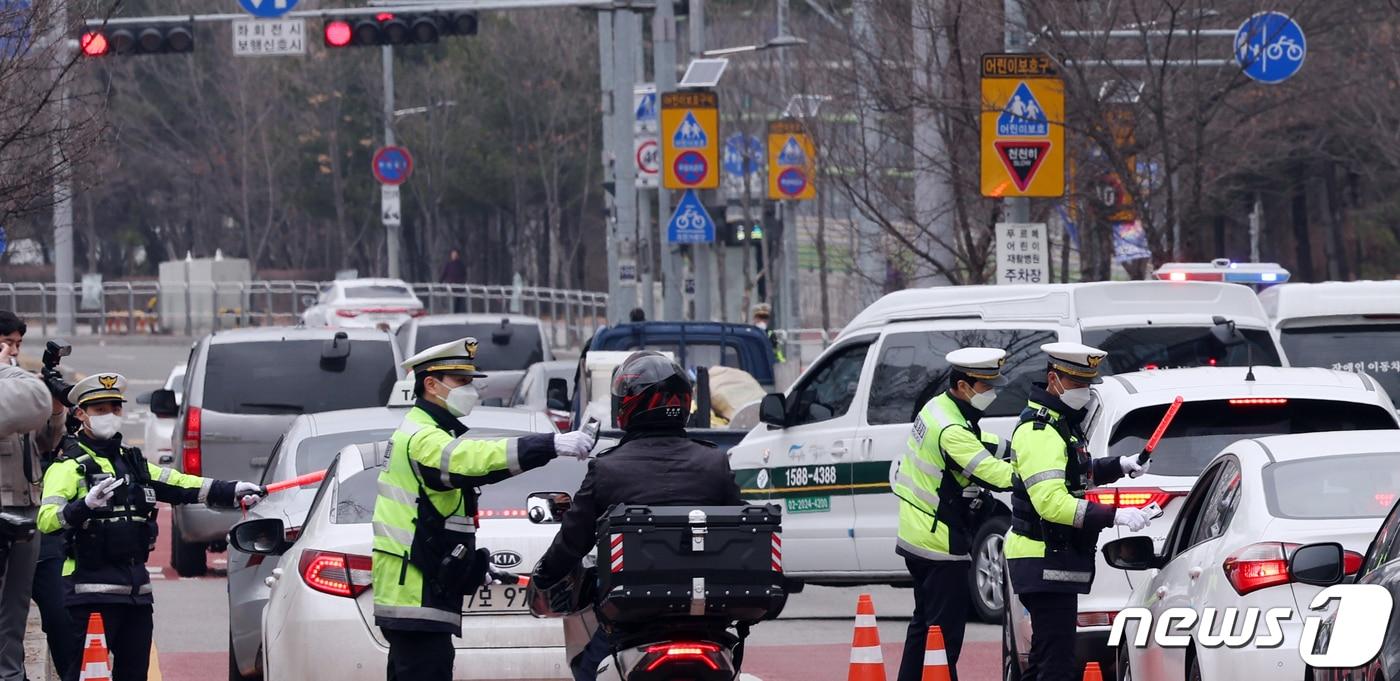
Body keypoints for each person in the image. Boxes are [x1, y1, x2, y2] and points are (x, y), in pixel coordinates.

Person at [372, 337, 596, 681]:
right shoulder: (424, 437)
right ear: (430, 384)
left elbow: (433, 516)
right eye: (461, 382)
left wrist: (467, 565)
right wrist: (550, 443)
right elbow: (473, 459)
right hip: (415, 592)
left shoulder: (424, 431)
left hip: (417, 588)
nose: (470, 390)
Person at [532, 351, 744, 681]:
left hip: (632, 622)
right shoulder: (714, 462)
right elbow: (742, 529)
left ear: (627, 405)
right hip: (707, 618)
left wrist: (543, 576)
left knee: (589, 667)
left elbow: (573, 541)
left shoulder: (607, 468)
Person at [37, 373, 263, 681]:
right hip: (89, 596)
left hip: (136, 595)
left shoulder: (133, 464)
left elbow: (181, 484)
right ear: (80, 414)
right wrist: (83, 506)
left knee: (134, 675)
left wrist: (231, 489)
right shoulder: (68, 467)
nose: (110, 416)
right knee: (85, 675)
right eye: (100, 409)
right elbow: (47, 519)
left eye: (115, 409)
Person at [1004, 343, 1152, 681]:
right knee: (1056, 665)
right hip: (1041, 557)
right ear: (1053, 380)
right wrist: (1114, 515)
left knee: (1044, 659)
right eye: (1076, 384)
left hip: (1050, 559)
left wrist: (1120, 465)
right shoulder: (1040, 432)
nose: (1083, 392)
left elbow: (1076, 472)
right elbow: (1052, 503)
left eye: (1087, 384)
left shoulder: (1060, 425)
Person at [894, 348, 1017, 681]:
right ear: (964, 386)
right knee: (944, 637)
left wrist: (1015, 447)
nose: (991, 392)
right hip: (940, 542)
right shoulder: (952, 429)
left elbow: (979, 441)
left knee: (923, 627)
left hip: (916, 534)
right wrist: (1031, 473)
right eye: (985, 386)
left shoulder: (938, 408)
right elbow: (992, 472)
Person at [0, 313, 68, 681]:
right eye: (7, 343)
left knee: (16, 609)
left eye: (17, 344)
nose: (13, 351)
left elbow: (47, 444)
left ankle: (12, 674)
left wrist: (55, 409)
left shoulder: (17, 388)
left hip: (27, 504)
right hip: (2, 506)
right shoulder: (10, 386)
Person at [439, 248, 467, 313]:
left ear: (458, 256)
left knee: (458, 301)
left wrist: (463, 283)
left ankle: (457, 312)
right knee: (450, 300)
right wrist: (440, 282)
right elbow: (444, 273)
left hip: (459, 287)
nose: (454, 256)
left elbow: (464, 275)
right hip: (451, 286)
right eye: (453, 254)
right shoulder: (449, 265)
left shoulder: (461, 265)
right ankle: (450, 311)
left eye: (455, 254)